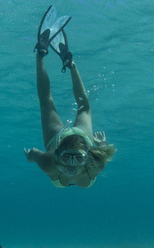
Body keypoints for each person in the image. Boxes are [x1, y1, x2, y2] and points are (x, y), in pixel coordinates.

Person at [24, 6, 116, 188]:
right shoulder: (95, 165)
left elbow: (35, 152)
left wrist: (31, 156)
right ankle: (70, 63)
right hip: (81, 138)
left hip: (62, 138)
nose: (71, 165)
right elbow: (103, 150)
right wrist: (100, 143)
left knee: (48, 103)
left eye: (75, 158)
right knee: (81, 106)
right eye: (68, 158)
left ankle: (41, 53)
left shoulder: (49, 162)